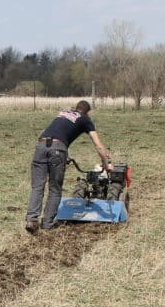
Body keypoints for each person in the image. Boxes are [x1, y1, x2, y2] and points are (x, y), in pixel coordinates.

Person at [25, 100, 113, 234]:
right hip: (57, 149)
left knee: (37, 186)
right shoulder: (85, 119)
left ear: (76, 108)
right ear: (88, 111)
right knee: (55, 188)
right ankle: (47, 224)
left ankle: (31, 219)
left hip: (41, 146)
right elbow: (98, 145)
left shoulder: (63, 113)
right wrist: (106, 163)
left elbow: (58, 131)